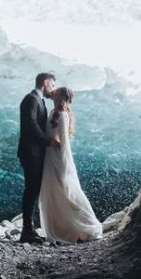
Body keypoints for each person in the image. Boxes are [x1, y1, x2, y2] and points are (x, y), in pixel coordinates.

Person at [39, 86, 103, 243]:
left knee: (66, 193)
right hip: (48, 158)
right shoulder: (51, 113)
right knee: (52, 193)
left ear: (61, 97)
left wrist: (65, 165)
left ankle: (85, 225)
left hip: (57, 159)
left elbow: (65, 144)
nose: (53, 92)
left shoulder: (63, 116)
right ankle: (60, 228)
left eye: (57, 91)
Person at [17, 71, 56, 243]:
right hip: (30, 152)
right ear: (46, 82)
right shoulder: (31, 99)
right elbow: (30, 124)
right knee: (31, 189)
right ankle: (26, 230)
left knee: (33, 189)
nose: (52, 89)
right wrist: (47, 141)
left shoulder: (39, 101)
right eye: (52, 85)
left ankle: (29, 227)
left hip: (35, 153)